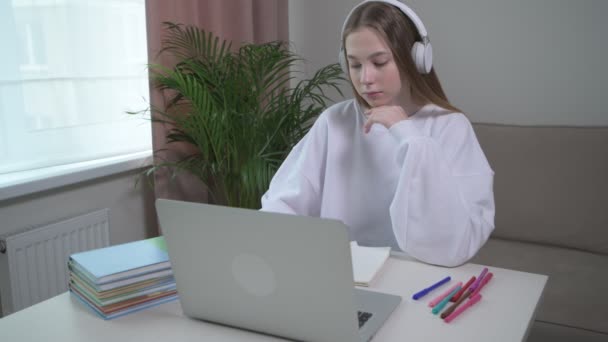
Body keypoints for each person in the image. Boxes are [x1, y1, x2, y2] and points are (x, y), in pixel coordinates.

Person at [260, 0, 495, 267]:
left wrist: (408, 135)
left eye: (379, 62)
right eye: (355, 65)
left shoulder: (450, 126)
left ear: (416, 59)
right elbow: (283, 205)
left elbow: (454, 245)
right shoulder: (335, 122)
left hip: (421, 276)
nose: (365, 78)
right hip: (341, 274)